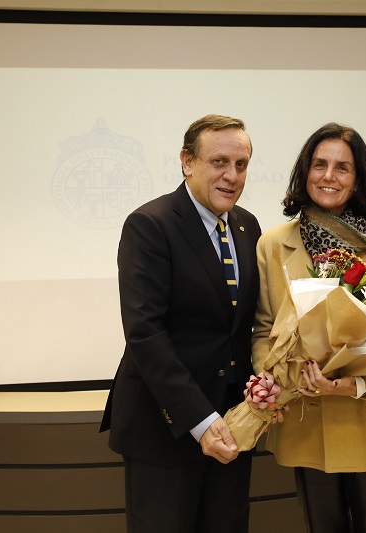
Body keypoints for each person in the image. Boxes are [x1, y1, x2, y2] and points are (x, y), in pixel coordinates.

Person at [252, 123, 366, 532]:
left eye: (342, 168)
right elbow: (262, 328)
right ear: (304, 173)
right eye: (319, 165)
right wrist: (275, 376)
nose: (328, 176)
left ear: (358, 178)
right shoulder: (273, 243)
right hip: (309, 416)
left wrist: (355, 384)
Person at [100, 114, 262, 533]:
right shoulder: (150, 225)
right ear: (187, 162)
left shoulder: (247, 225)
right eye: (219, 162)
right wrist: (202, 420)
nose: (232, 176)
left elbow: (243, 324)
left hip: (233, 427)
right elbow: (145, 334)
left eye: (241, 164)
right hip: (165, 427)